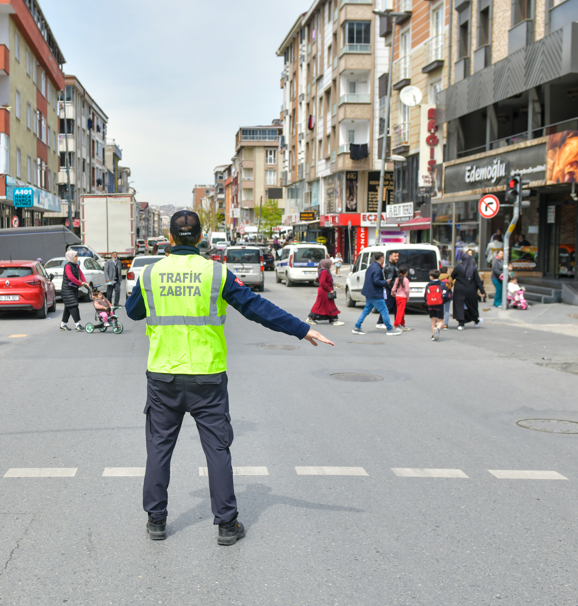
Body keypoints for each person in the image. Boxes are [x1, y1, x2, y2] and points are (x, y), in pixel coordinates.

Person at [126, 210, 334, 546]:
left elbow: (133, 311)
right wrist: (302, 329)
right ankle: (226, 525)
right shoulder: (216, 273)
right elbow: (256, 307)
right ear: (200, 236)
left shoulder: (151, 273)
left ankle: (157, 521)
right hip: (207, 377)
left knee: (159, 448)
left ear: (170, 235)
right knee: (217, 450)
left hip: (163, 375)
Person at [353, 252, 401, 336]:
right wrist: (386, 282)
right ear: (382, 258)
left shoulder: (372, 266)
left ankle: (357, 326)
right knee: (384, 311)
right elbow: (376, 281)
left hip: (369, 292)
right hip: (375, 293)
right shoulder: (378, 269)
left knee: (366, 310)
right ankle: (389, 329)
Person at [450, 250, 486, 331]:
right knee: (471, 306)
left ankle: (461, 323)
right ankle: (475, 320)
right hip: (471, 290)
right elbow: (478, 281)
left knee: (459, 306)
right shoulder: (473, 269)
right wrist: (482, 291)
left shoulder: (458, 267)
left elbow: (452, 276)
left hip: (459, 289)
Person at [307, 258, 343, 326]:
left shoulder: (324, 271)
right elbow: (322, 282)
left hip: (324, 291)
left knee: (325, 305)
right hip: (324, 292)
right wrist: (330, 289)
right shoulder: (324, 272)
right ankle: (333, 319)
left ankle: (332, 319)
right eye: (329, 264)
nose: (331, 265)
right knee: (326, 305)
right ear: (326, 265)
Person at [60, 250, 87, 331]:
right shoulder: (67, 266)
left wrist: (85, 282)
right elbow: (70, 277)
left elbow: (81, 274)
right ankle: (77, 324)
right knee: (73, 305)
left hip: (73, 288)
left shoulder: (76, 265)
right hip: (67, 289)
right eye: (75, 256)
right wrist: (79, 283)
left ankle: (63, 324)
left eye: (77, 256)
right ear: (71, 257)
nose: (77, 258)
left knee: (69, 306)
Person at [376, 250, 400, 329]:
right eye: (395, 256)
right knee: (387, 306)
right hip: (391, 291)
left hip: (392, 290)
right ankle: (380, 322)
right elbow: (389, 281)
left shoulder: (393, 265)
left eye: (397, 256)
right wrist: (394, 290)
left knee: (395, 307)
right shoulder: (390, 267)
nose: (397, 258)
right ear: (390, 257)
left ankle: (397, 323)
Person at [425, 269, 447, 342]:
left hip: (431, 305)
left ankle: (433, 335)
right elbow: (445, 295)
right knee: (440, 320)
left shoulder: (428, 285)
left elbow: (425, 297)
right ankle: (437, 329)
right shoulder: (442, 284)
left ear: (431, 277)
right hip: (439, 305)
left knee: (433, 320)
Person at [391, 264, 411, 330]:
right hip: (403, 297)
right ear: (406, 272)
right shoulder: (406, 280)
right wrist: (408, 297)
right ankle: (396, 325)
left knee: (400, 311)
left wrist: (392, 293)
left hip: (397, 297)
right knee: (401, 311)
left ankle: (402, 324)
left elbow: (393, 288)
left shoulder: (397, 279)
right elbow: (407, 290)